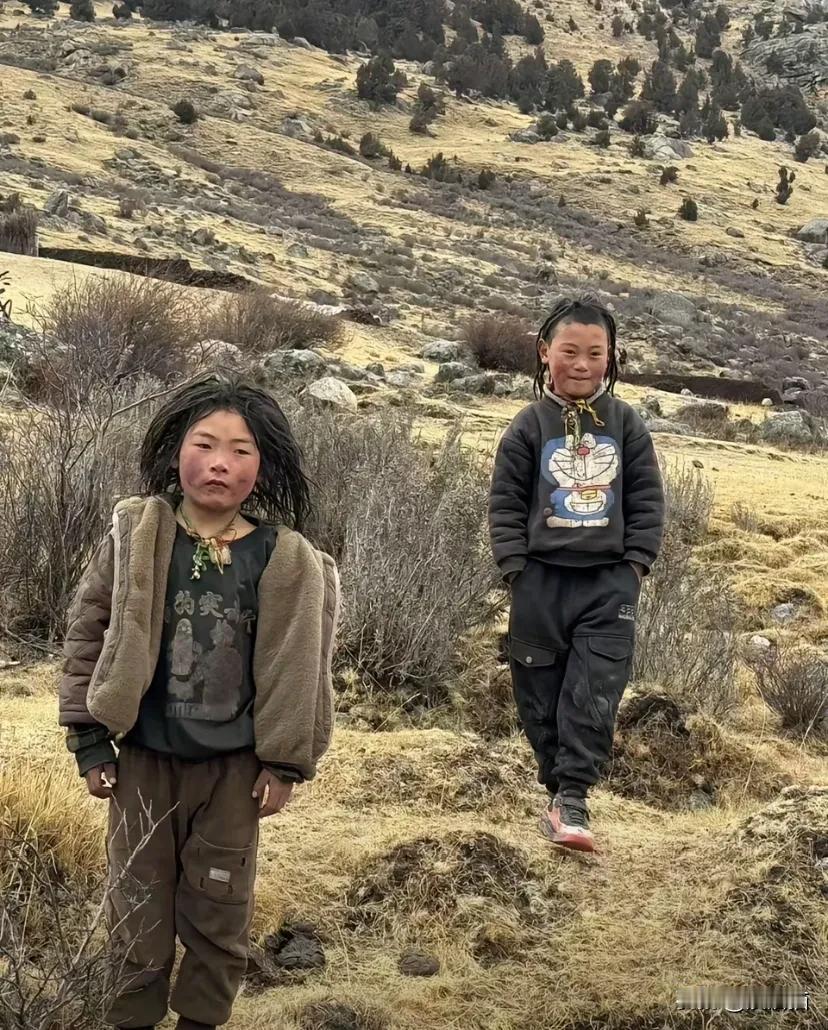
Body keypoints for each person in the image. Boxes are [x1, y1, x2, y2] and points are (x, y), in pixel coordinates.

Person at [58, 373, 340, 1030]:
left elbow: (303, 668)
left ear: (262, 463)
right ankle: (130, 1018)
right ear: (174, 449)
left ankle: (200, 1022)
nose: (221, 463)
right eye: (205, 443)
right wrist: (89, 737)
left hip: (233, 774)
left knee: (221, 907)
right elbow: (87, 631)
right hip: (143, 765)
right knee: (137, 906)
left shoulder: (282, 557)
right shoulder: (136, 537)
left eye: (241, 450)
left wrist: (286, 763)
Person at [488, 295, 664, 854]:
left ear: (611, 359)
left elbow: (647, 499)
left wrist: (635, 566)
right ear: (545, 353)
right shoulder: (528, 425)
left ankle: (575, 797)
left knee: (594, 693)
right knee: (537, 692)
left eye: (596, 353)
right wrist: (516, 570)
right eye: (570, 351)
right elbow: (505, 503)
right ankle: (556, 787)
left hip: (608, 585)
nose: (582, 364)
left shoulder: (627, 423)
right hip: (539, 581)